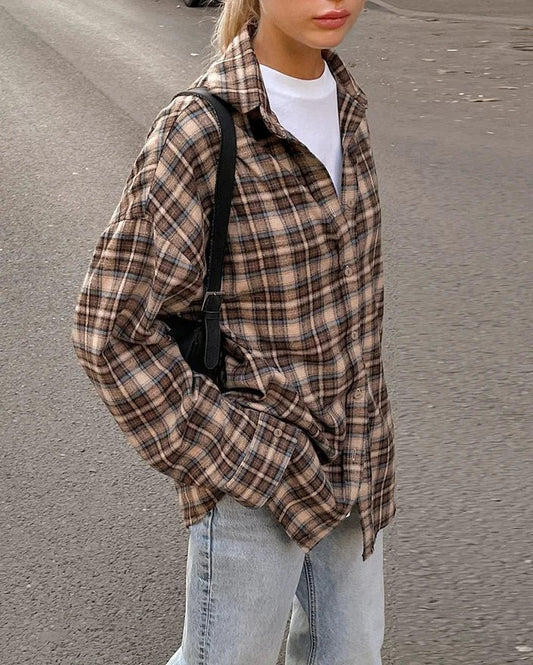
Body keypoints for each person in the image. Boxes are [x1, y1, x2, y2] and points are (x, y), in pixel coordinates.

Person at [72, 0, 396, 663]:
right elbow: (108, 331)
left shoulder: (346, 108)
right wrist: (255, 455)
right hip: (252, 484)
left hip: (353, 461)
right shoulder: (200, 131)